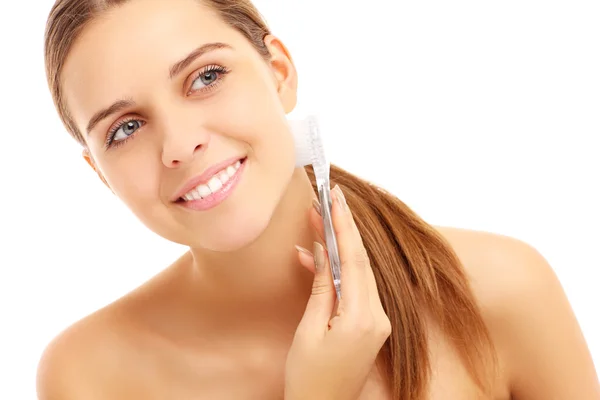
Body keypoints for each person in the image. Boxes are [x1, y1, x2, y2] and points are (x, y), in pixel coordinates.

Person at [37, 0, 599, 399]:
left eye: (206, 76)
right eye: (124, 129)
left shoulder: (499, 290)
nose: (180, 145)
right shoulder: (89, 376)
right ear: (101, 174)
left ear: (279, 72)